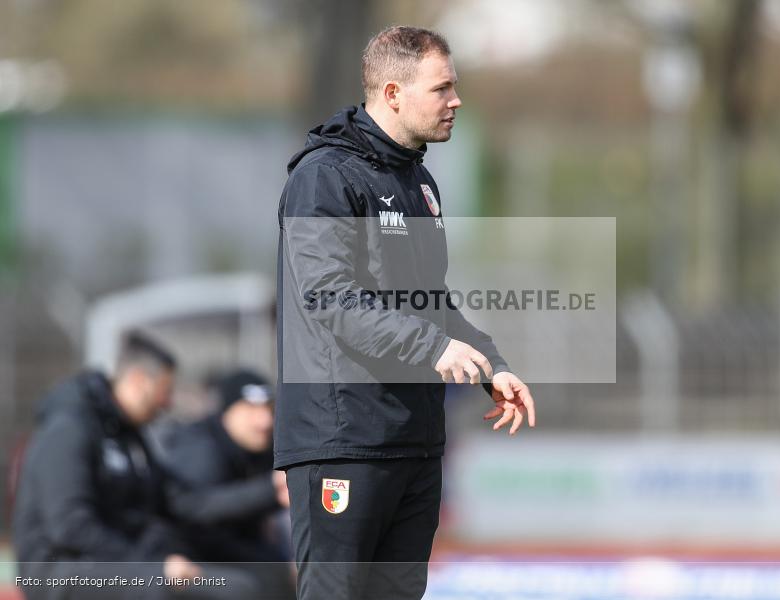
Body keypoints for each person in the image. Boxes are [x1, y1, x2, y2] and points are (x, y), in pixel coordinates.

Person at [276, 26, 537, 600]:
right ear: (393, 93)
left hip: (414, 439)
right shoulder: (324, 177)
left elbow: (430, 301)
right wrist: (433, 348)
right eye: (442, 88)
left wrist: (491, 364)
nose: (456, 101)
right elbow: (330, 296)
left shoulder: (419, 182)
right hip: (344, 439)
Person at [13, 332, 290, 600]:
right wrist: (151, 565)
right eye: (164, 391)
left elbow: (186, 501)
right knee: (162, 589)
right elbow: (70, 527)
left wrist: (271, 489)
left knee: (240, 587)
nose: (167, 403)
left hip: (123, 563)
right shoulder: (69, 429)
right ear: (138, 380)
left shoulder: (129, 436)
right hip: (60, 571)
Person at [163, 369, 294, 597]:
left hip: (230, 552)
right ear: (227, 411)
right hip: (185, 558)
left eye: (269, 409)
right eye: (251, 409)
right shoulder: (200, 447)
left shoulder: (260, 448)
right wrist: (271, 489)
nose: (264, 420)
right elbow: (194, 508)